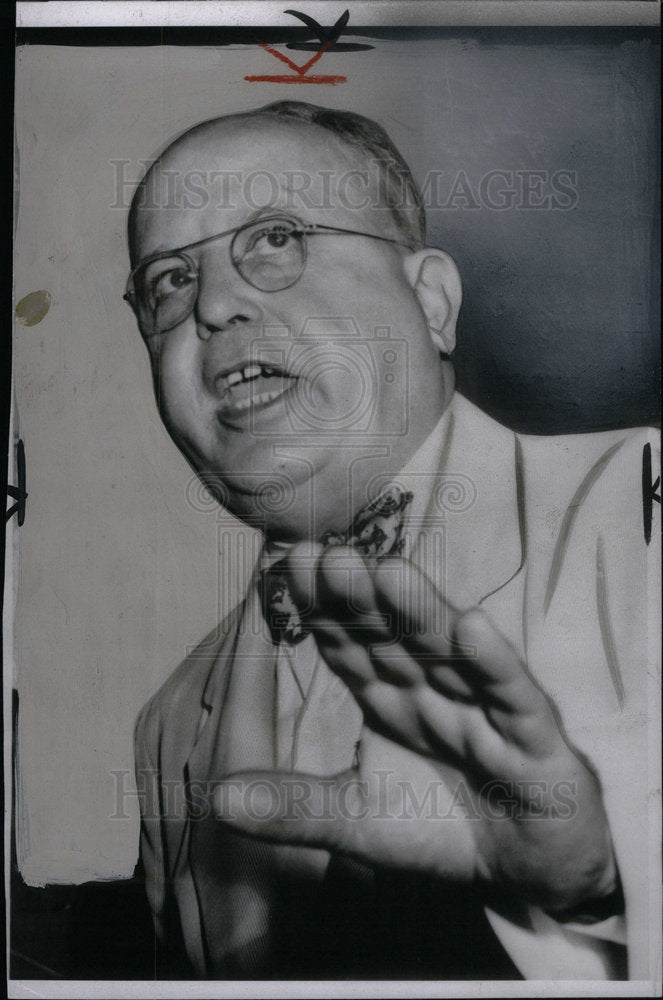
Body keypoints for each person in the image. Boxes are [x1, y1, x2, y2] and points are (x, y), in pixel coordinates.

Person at [128, 101, 658, 981]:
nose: (212, 306)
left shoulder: (642, 511)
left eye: (275, 238)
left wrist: (597, 885)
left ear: (430, 301)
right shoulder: (169, 726)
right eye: (168, 283)